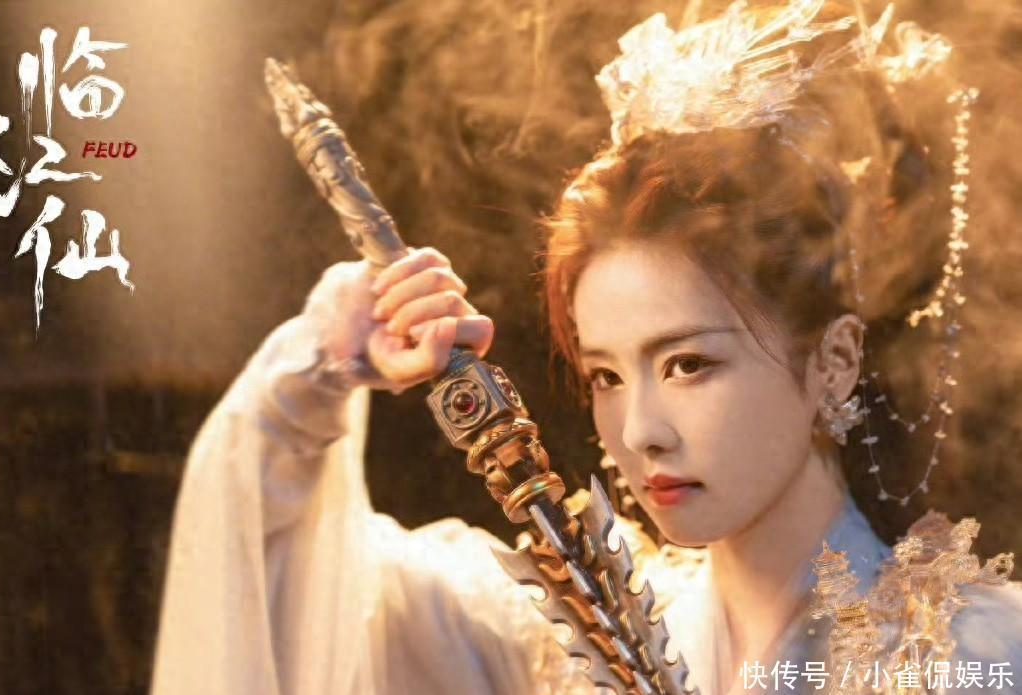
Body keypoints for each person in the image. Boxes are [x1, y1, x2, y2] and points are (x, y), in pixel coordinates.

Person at [150, 3, 1022, 694]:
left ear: (833, 362)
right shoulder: (559, 638)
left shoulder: (981, 654)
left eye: (688, 364)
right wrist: (323, 365)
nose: (640, 431)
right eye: (605, 373)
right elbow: (273, 593)